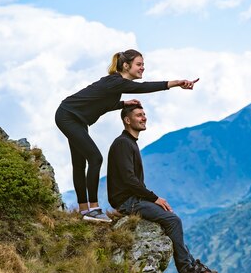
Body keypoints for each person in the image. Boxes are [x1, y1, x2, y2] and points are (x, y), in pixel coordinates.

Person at [55, 49, 199, 222]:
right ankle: (93, 209)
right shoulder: (116, 82)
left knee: (80, 164)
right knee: (95, 159)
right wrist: (176, 83)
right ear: (126, 65)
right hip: (67, 116)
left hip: (76, 119)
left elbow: (102, 104)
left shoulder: (115, 86)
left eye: (143, 65)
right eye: (139, 64)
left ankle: (84, 210)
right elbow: (143, 87)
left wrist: (124, 103)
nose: (142, 68)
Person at [107, 104, 217, 273]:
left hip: (132, 199)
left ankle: (192, 266)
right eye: (139, 115)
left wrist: (151, 199)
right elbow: (128, 179)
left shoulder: (129, 143)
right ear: (127, 120)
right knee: (173, 220)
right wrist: (154, 198)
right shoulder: (123, 143)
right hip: (127, 201)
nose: (144, 118)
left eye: (144, 114)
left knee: (170, 221)